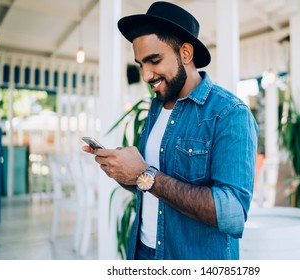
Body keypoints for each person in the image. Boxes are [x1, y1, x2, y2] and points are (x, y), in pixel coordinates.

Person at [83, 1, 258, 260]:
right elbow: (151, 185)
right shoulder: (156, 109)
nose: (145, 75)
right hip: (142, 252)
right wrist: (125, 172)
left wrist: (144, 173)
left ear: (186, 53)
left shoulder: (230, 113)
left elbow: (231, 213)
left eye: (154, 60)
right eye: (140, 64)